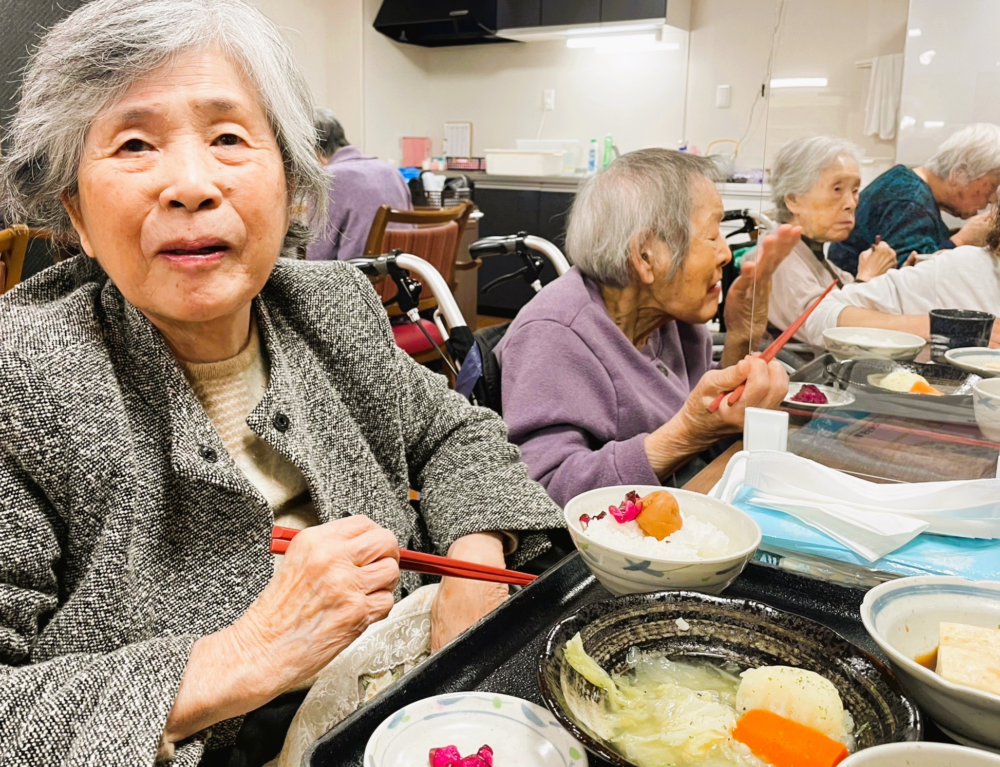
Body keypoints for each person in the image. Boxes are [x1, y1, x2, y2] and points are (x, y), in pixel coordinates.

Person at [0, 1, 562, 764]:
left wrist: (479, 555)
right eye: (135, 143)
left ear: (293, 185)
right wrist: (249, 652)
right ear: (77, 215)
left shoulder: (329, 308)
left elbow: (454, 428)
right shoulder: (22, 378)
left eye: (229, 137)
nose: (191, 184)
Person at [495, 149, 794, 508]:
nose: (726, 254)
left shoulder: (675, 322)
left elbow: (710, 432)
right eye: (712, 235)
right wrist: (685, 434)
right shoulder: (554, 334)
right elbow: (543, 490)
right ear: (646, 255)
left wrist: (743, 333)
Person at [764, 136, 897, 346]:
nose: (851, 203)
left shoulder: (814, 255)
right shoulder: (776, 258)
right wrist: (867, 278)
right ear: (793, 199)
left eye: (855, 191)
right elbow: (826, 330)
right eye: (837, 190)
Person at [829, 123, 1000, 274]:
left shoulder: (908, 183)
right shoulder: (911, 203)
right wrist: (962, 240)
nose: (992, 199)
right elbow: (911, 278)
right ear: (959, 173)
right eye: (991, 187)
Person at [804, 237, 1000, 348]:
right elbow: (818, 315)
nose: (851, 204)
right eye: (837, 188)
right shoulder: (966, 270)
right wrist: (939, 327)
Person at [305, 107, 412, 262]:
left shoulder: (329, 177)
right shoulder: (391, 171)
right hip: (406, 276)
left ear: (310, 148)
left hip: (358, 280)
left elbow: (317, 256)